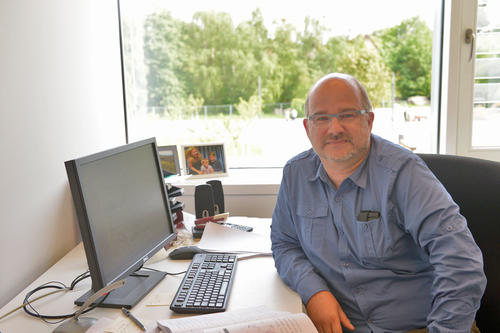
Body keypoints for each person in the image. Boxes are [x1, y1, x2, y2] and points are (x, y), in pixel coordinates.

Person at [270, 73, 486, 333]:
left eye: (348, 115)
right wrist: (314, 292)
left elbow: (461, 263)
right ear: (307, 127)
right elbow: (285, 244)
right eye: (322, 118)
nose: (334, 128)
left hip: (422, 326)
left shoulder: (404, 174)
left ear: (369, 120)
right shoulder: (296, 175)